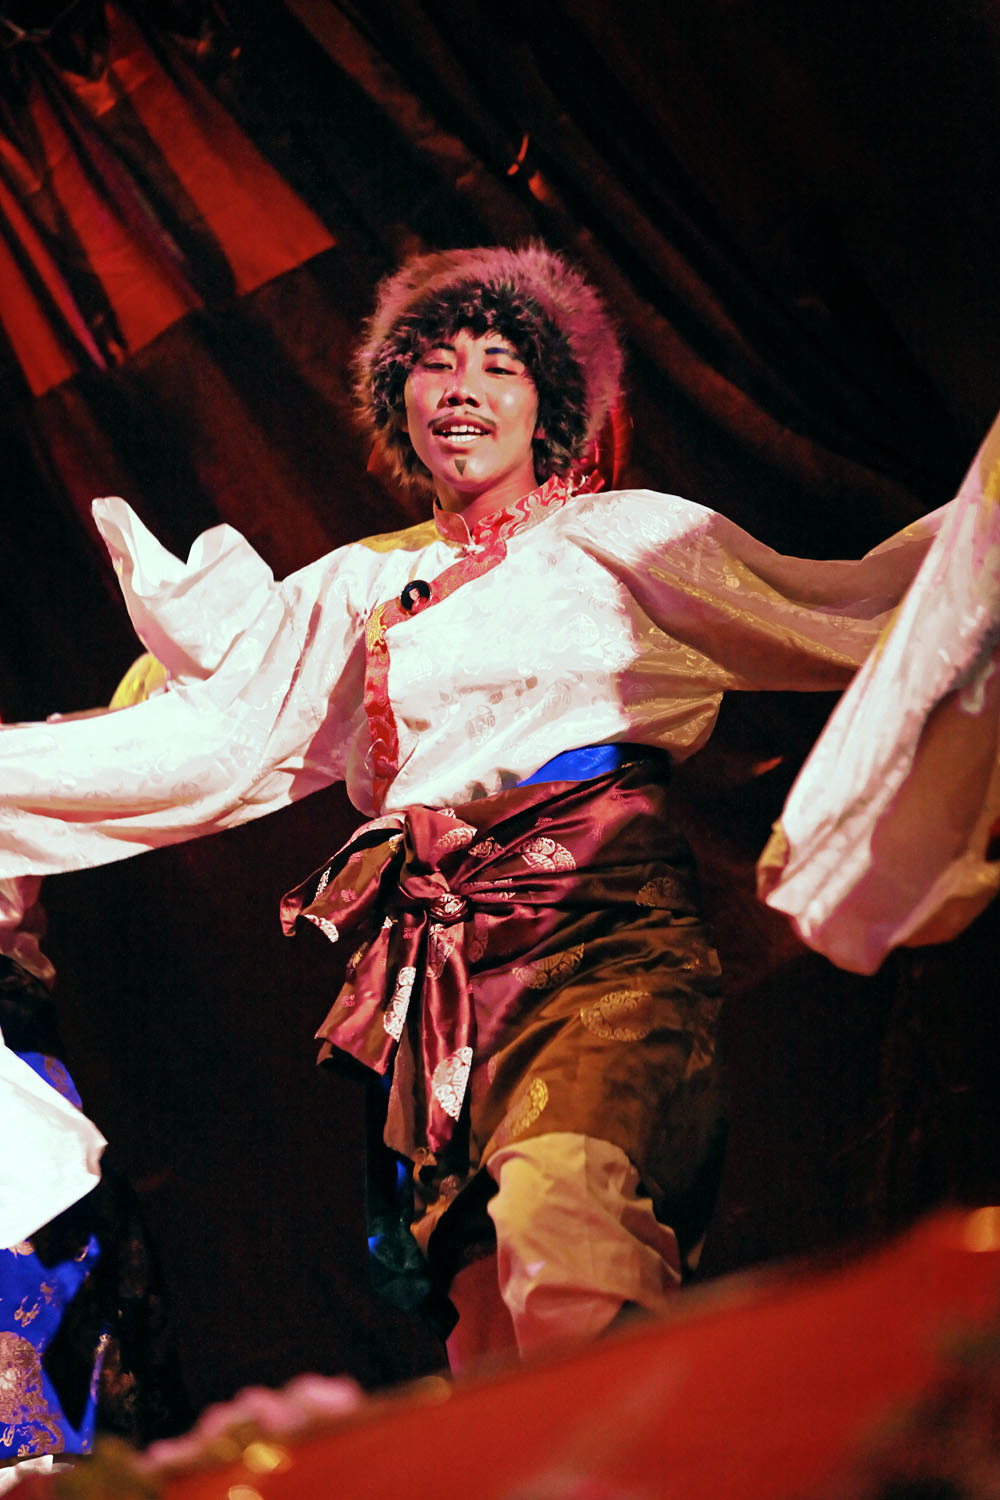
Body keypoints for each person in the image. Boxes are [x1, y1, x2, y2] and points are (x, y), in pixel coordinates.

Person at [0, 244, 987, 1367]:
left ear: (548, 407)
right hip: (436, 971)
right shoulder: (354, 588)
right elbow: (192, 748)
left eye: (500, 364)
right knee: (485, 1323)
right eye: (432, 362)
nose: (461, 386)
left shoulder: (620, 539)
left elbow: (856, 612)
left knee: (567, 1226)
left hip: (596, 923)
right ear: (399, 401)